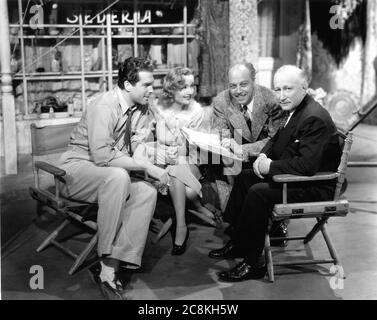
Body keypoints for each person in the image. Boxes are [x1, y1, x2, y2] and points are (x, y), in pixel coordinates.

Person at [208, 65, 342, 282]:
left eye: (288, 89)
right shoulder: (296, 110)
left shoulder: (313, 117)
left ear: (304, 88)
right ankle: (240, 241)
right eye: (277, 89)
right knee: (245, 177)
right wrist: (262, 157)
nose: (281, 96)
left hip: (316, 186)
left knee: (259, 193)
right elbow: (276, 139)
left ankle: (253, 262)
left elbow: (307, 166)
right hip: (299, 179)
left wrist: (270, 167)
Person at [58, 57, 169, 299]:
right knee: (119, 177)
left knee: (147, 191)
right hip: (79, 166)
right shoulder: (103, 105)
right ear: (128, 85)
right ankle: (104, 255)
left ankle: (110, 267)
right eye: (147, 85)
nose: (152, 90)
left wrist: (147, 157)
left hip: (111, 170)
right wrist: (149, 169)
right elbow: (101, 156)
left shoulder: (142, 107)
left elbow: (136, 144)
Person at [134, 67, 216, 256]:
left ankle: (181, 225)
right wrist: (168, 143)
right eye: (183, 87)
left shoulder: (197, 111)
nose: (190, 91)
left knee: (176, 167)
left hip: (193, 160)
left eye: (191, 86)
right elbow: (159, 137)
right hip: (165, 159)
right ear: (171, 89)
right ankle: (196, 206)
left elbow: (195, 148)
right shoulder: (159, 107)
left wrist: (177, 147)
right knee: (182, 183)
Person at [211, 62, 288, 245]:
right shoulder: (221, 101)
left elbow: (275, 141)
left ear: (254, 80)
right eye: (232, 85)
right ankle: (237, 224)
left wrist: (242, 150)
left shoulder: (272, 101)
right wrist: (226, 141)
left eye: (243, 84)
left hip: (266, 155)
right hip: (235, 155)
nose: (237, 91)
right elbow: (222, 134)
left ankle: (275, 223)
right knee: (218, 163)